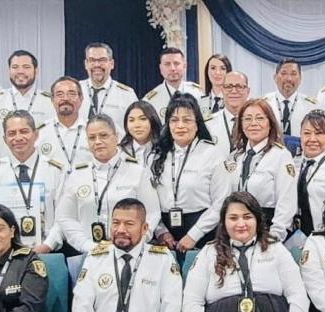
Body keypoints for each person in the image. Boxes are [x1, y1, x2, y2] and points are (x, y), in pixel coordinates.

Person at [189, 100, 297, 245]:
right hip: (235, 232)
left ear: (270, 123)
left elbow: (287, 202)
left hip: (267, 231)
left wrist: (273, 237)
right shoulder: (235, 156)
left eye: (260, 118)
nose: (253, 123)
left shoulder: (281, 155)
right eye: (247, 119)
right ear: (241, 124)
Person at [56, 115, 158, 253]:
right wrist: (86, 245)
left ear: (116, 137)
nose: (98, 142)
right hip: (89, 252)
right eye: (92, 138)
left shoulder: (137, 171)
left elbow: (152, 213)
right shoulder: (77, 174)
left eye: (103, 135)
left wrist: (134, 243)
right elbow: (65, 217)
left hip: (130, 251)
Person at [0, 110, 69, 255]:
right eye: (12, 133)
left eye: (24, 131)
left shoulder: (55, 171)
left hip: (46, 252)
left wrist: (47, 245)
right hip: (4, 253)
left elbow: (64, 215)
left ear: (36, 134)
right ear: (5, 139)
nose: (18, 138)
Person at [148, 96, 230, 250]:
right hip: (165, 235)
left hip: (204, 231)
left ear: (197, 124)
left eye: (187, 120)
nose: (180, 125)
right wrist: (161, 232)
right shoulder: (156, 155)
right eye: (174, 120)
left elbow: (221, 202)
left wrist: (194, 234)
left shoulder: (213, 154)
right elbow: (149, 201)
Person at [0, 51, 56, 150]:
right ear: (9, 71)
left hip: (40, 159)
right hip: (4, 159)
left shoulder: (50, 102)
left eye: (26, 67)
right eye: (15, 67)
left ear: (36, 71)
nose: (20, 71)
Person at [36, 77, 92, 166]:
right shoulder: (39, 132)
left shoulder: (93, 130)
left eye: (71, 94)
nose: (65, 98)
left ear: (81, 99)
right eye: (60, 94)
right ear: (52, 100)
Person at [79, 42, 137, 125]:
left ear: (111, 64)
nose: (97, 65)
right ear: (86, 64)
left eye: (102, 60)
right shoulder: (75, 90)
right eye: (92, 60)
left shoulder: (127, 95)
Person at [260, 59, 314, 141]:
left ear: (300, 78)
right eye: (284, 73)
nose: (289, 79)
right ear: (275, 77)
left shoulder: (311, 106)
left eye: (293, 74)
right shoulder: (263, 104)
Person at [144, 47, 204, 117]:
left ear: (184, 66)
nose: (172, 68)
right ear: (161, 68)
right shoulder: (151, 100)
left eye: (176, 63)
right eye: (167, 64)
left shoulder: (197, 93)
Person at [204, 71, 252, 151]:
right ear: (222, 90)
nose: (234, 91)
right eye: (229, 86)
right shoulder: (208, 124)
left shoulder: (257, 123)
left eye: (239, 86)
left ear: (248, 91)